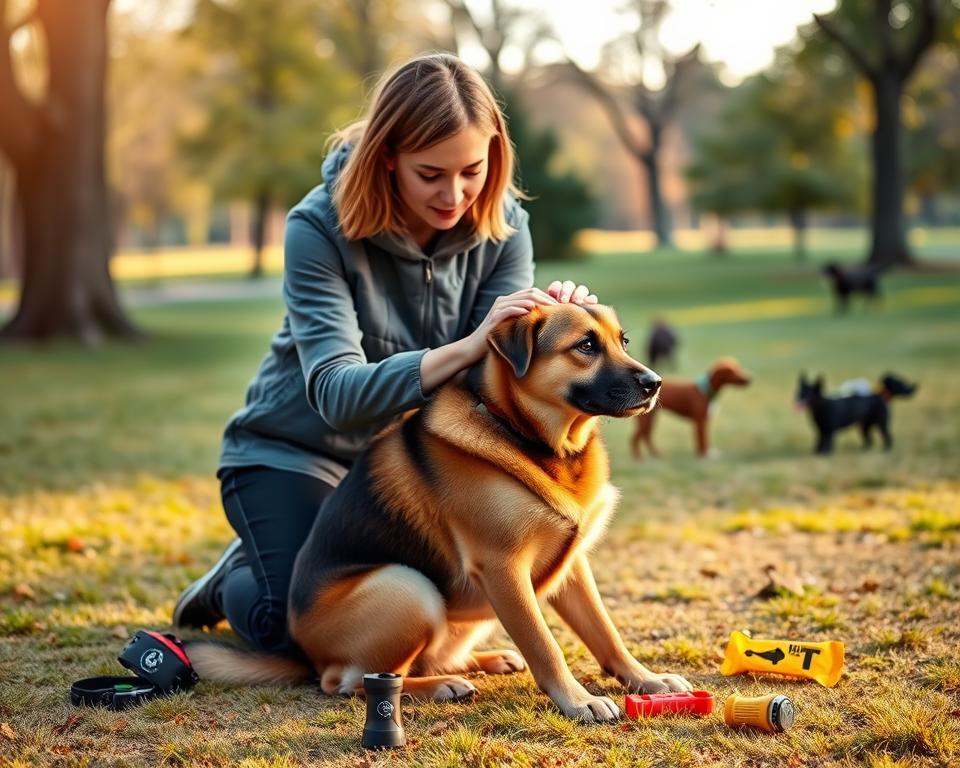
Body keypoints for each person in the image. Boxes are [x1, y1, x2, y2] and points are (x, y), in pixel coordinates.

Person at [172, 53, 597, 653]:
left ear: (494, 152)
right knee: (291, 629)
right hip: (297, 454)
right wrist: (468, 345)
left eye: (472, 170)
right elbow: (337, 394)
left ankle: (285, 561)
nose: (454, 194)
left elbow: (491, 379)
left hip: (407, 471)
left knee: (407, 609)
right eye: (431, 175)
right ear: (388, 157)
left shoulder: (505, 228)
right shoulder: (317, 228)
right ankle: (237, 576)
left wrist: (549, 325)